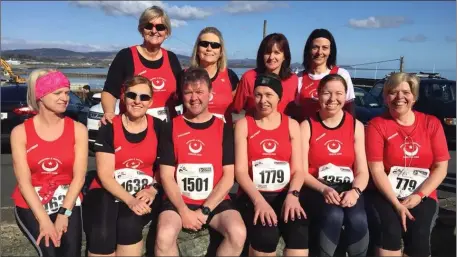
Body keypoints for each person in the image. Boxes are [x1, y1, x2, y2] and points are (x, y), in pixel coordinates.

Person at [155, 67, 246, 256]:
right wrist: (183, 210)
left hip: (213, 201)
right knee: (164, 235)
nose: (194, 98)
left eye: (199, 92)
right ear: (182, 95)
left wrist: (205, 210)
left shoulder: (224, 128)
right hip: (178, 200)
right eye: (188, 92)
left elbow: (229, 177)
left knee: (238, 233)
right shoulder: (170, 126)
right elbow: (166, 175)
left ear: (210, 94)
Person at [365, 72, 450, 257]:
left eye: (406, 92)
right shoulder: (377, 125)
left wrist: (419, 196)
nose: (400, 97)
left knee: (419, 233)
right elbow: (376, 169)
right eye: (393, 92)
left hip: (422, 193)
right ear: (386, 97)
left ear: (414, 96)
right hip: (385, 193)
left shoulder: (431, 123)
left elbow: (441, 167)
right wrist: (396, 204)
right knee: (389, 230)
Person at [11, 69, 87, 257]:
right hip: (32, 203)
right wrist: (44, 220)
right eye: (57, 93)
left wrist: (64, 214)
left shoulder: (78, 129)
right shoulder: (20, 132)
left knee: (71, 252)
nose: (65, 98)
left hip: (67, 201)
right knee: (49, 252)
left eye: (67, 93)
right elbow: (24, 182)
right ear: (41, 96)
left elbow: (79, 178)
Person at [83, 75, 162, 256]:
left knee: (129, 225)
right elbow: (105, 176)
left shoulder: (159, 127)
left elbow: (164, 167)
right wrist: (130, 200)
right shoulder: (109, 127)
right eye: (131, 95)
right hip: (108, 189)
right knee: (102, 233)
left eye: (144, 97)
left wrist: (153, 189)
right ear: (123, 98)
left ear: (151, 101)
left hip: (145, 189)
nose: (137, 101)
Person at [234, 73, 308, 256]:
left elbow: (299, 170)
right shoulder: (244, 125)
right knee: (266, 235)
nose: (263, 100)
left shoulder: (292, 125)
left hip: (284, 193)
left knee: (299, 232)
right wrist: (259, 201)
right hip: (253, 195)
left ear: (279, 98)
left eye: (269, 95)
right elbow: (241, 172)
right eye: (258, 95)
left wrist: (293, 195)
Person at [300, 74, 369, 256]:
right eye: (326, 93)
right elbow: (301, 171)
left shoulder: (356, 126)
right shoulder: (307, 125)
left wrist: (355, 191)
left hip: (348, 189)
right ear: (318, 94)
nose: (332, 99)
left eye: (339, 93)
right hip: (317, 188)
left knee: (358, 219)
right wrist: (323, 189)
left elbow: (362, 171)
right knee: (333, 216)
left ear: (346, 96)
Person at [101, 5, 182, 123]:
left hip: (166, 131)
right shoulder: (125, 56)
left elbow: (182, 93)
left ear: (167, 32)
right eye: (149, 26)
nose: (154, 31)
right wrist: (109, 113)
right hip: (133, 129)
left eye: (160, 27)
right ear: (141, 29)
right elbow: (110, 91)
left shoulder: (172, 58)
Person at [295, 29, 355, 122]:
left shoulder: (341, 74)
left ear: (331, 50)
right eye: (315, 47)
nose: (320, 52)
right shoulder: (299, 78)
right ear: (309, 50)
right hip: (306, 132)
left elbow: (350, 108)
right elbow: (296, 112)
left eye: (325, 48)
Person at [232, 33, 298, 117]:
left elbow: (295, 112)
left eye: (276, 53)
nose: (271, 57)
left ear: (284, 56)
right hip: (254, 128)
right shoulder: (249, 77)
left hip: (283, 128)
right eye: (268, 52)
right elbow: (236, 108)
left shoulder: (293, 80)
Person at [189, 27, 239, 123]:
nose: (209, 48)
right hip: (192, 135)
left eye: (215, 45)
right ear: (197, 49)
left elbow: (239, 107)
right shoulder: (185, 76)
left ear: (221, 52)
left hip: (223, 135)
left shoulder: (230, 76)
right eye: (204, 44)